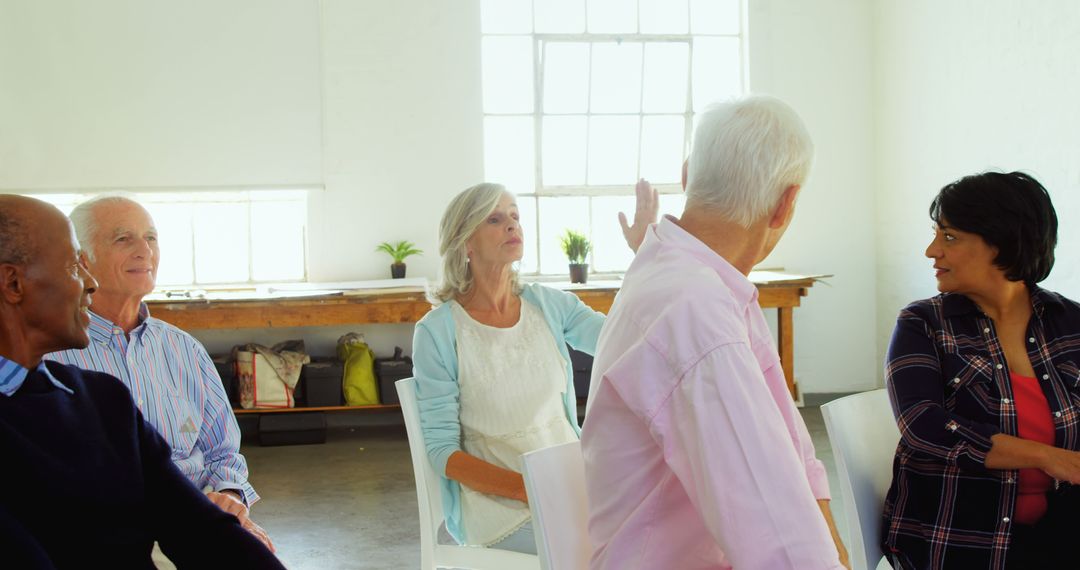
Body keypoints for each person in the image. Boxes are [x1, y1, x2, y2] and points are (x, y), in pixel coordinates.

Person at [581, 95, 849, 569]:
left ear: (687, 175)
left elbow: (792, 447)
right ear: (785, 205)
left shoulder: (693, 278)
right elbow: (775, 537)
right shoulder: (694, 308)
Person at [0, 195, 284, 569]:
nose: (88, 282)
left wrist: (229, 501)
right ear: (13, 283)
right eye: (73, 266)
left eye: (150, 237)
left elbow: (195, 523)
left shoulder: (101, 398)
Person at [412, 181, 656, 552]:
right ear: (466, 242)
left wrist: (645, 257)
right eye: (495, 219)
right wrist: (529, 489)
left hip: (575, 491)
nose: (512, 225)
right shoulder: (438, 332)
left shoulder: (549, 305)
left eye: (515, 216)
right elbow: (443, 453)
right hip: (501, 510)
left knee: (658, 537)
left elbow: (624, 339)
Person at [882, 171, 1080, 569]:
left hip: (1062, 535)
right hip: (961, 542)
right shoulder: (923, 324)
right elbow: (924, 426)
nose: (931, 251)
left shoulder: (1070, 322)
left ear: (1002, 243)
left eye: (950, 237)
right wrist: (1048, 457)